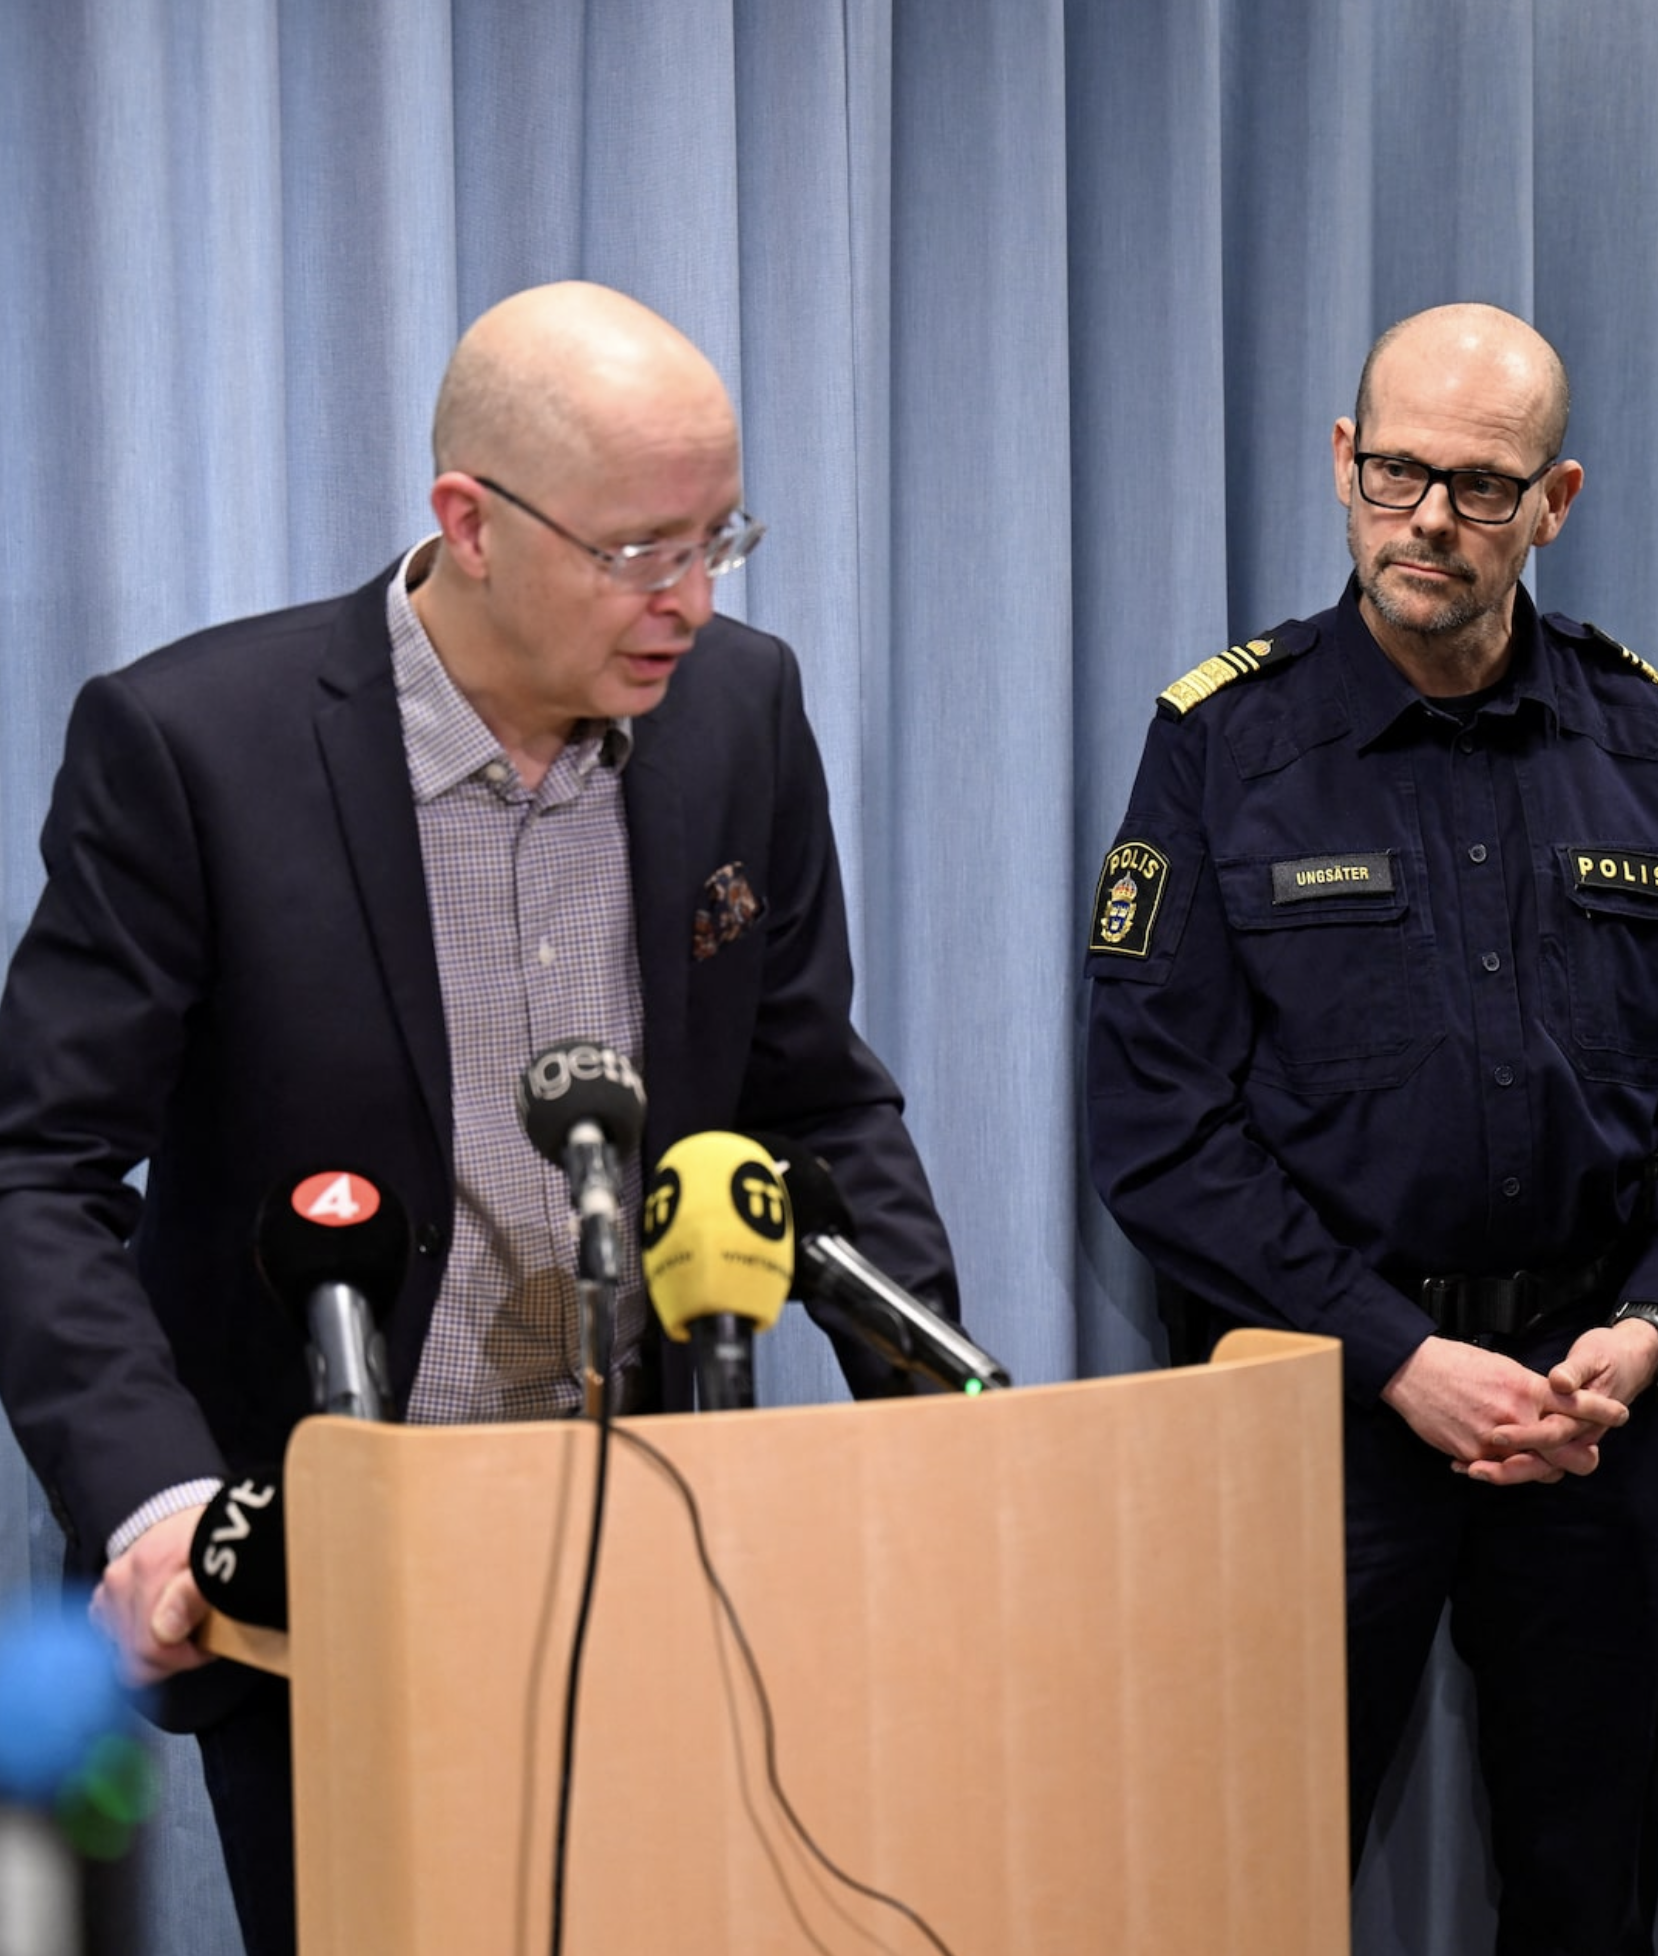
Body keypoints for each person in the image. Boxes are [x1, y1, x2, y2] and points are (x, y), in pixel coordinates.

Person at [0, 281, 960, 1955]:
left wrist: (942, 1404)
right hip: (330, 1570)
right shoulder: (193, 748)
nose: (692, 598)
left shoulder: (739, 711)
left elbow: (814, 1097)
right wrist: (157, 1509)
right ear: (471, 523)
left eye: (719, 536)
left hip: (666, 1543)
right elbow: (38, 1169)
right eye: (643, 550)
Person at [1085, 302, 1658, 1952]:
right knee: (1254, 1886)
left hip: (1583, 1416)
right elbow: (1158, 1129)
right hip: (1323, 1421)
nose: (1428, 520)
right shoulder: (1225, 743)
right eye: (1398, 470)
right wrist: (1398, 1355)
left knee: (1589, 1885)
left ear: (1555, 502)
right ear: (1342, 464)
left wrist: (1655, 1324)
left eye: (1481, 487)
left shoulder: (1639, 736)